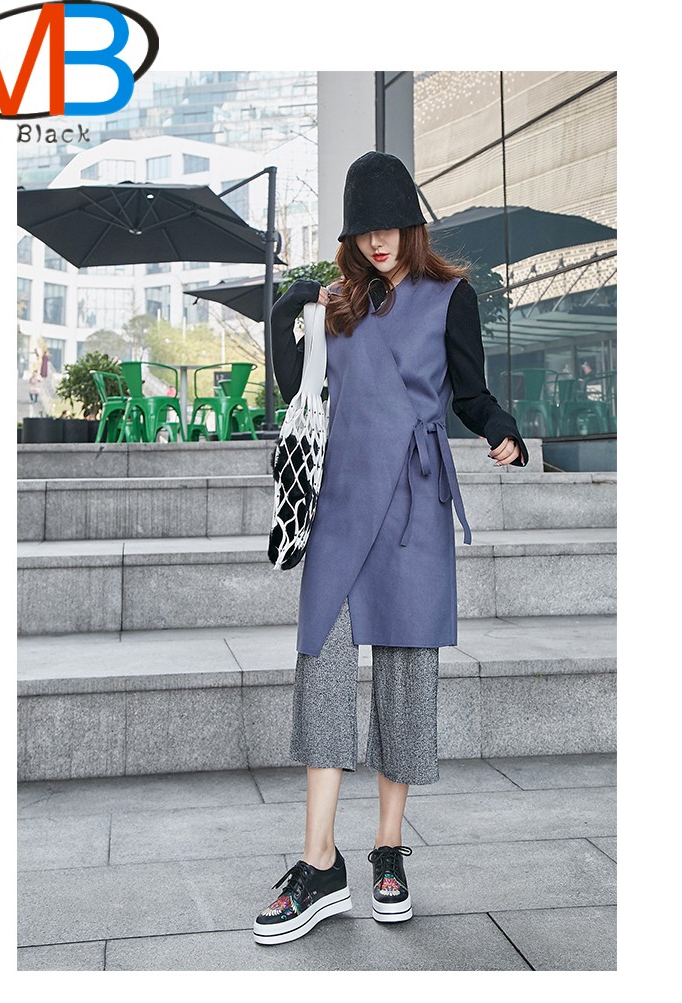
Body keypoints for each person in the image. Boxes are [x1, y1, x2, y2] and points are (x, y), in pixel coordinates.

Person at [252, 152, 529, 947]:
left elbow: (470, 392)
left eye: (391, 225)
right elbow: (295, 391)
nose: (378, 241)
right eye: (364, 229)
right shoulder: (338, 304)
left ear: (412, 224)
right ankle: (319, 862)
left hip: (412, 502)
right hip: (341, 505)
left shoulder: (450, 296)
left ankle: (386, 848)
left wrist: (502, 429)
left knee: (406, 677)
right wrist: (291, 305)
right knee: (323, 666)